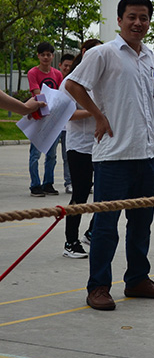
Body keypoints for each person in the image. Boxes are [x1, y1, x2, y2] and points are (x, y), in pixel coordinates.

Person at [65, 0, 154, 311]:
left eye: (144, 18)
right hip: (113, 156)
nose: (138, 23)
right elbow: (73, 85)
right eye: (132, 17)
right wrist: (98, 115)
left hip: (147, 155)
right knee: (105, 226)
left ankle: (138, 279)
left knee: (141, 225)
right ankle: (98, 286)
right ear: (120, 20)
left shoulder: (151, 58)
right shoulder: (103, 54)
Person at [60, 44, 100, 258]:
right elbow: (66, 114)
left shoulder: (100, 79)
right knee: (80, 195)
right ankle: (70, 242)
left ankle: (92, 232)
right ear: (84, 53)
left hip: (101, 144)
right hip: (79, 146)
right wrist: (95, 112)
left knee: (105, 193)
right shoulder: (69, 81)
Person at [27, 41, 63, 197]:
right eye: (43, 54)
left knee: (52, 154)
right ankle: (35, 185)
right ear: (38, 56)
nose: (46, 57)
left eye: (48, 54)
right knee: (35, 154)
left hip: (53, 118)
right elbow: (37, 93)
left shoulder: (57, 74)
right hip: (38, 116)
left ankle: (48, 183)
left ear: (52, 56)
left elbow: (60, 94)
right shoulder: (32, 73)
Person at [58, 53, 75, 194]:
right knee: (66, 157)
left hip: (74, 127)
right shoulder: (64, 82)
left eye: (70, 66)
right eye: (65, 66)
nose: (68, 68)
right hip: (63, 126)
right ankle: (69, 182)